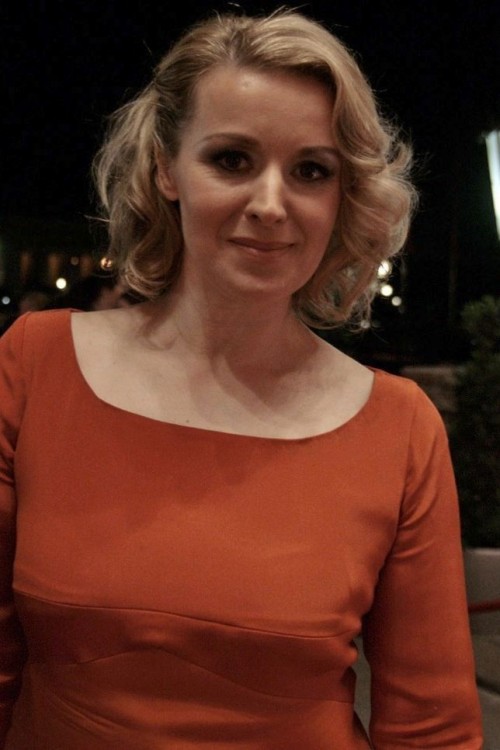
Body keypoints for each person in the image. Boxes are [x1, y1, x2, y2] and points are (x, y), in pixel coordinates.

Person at [0, 8, 483, 749]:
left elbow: (432, 729)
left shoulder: (399, 427)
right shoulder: (35, 364)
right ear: (166, 168)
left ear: (342, 196)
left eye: (311, 171)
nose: (270, 204)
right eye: (231, 159)